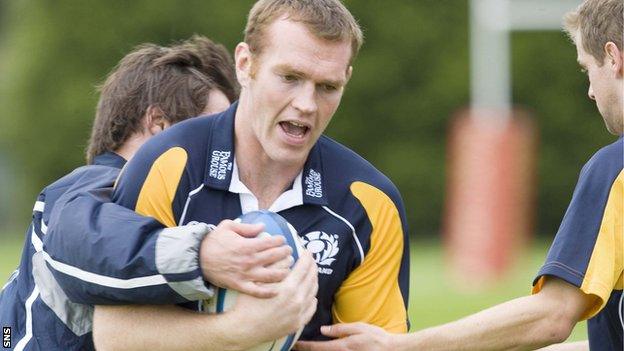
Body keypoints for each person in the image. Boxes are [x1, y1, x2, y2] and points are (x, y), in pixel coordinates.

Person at [296, 0, 624, 350]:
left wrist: (400, 346)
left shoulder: (615, 169)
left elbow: (554, 316)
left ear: (613, 57)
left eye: (586, 68)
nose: (590, 89)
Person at [83, 0, 410, 349]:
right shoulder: (170, 164)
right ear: (245, 64)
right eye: (290, 77)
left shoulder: (369, 203)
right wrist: (242, 331)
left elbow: (375, 343)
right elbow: (115, 336)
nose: (307, 104)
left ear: (346, 80)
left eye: (327, 87)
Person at [0, 35, 317, 351]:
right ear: (158, 124)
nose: (226, 143)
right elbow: (84, 238)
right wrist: (204, 255)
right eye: (214, 126)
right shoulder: (89, 187)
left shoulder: (177, 205)